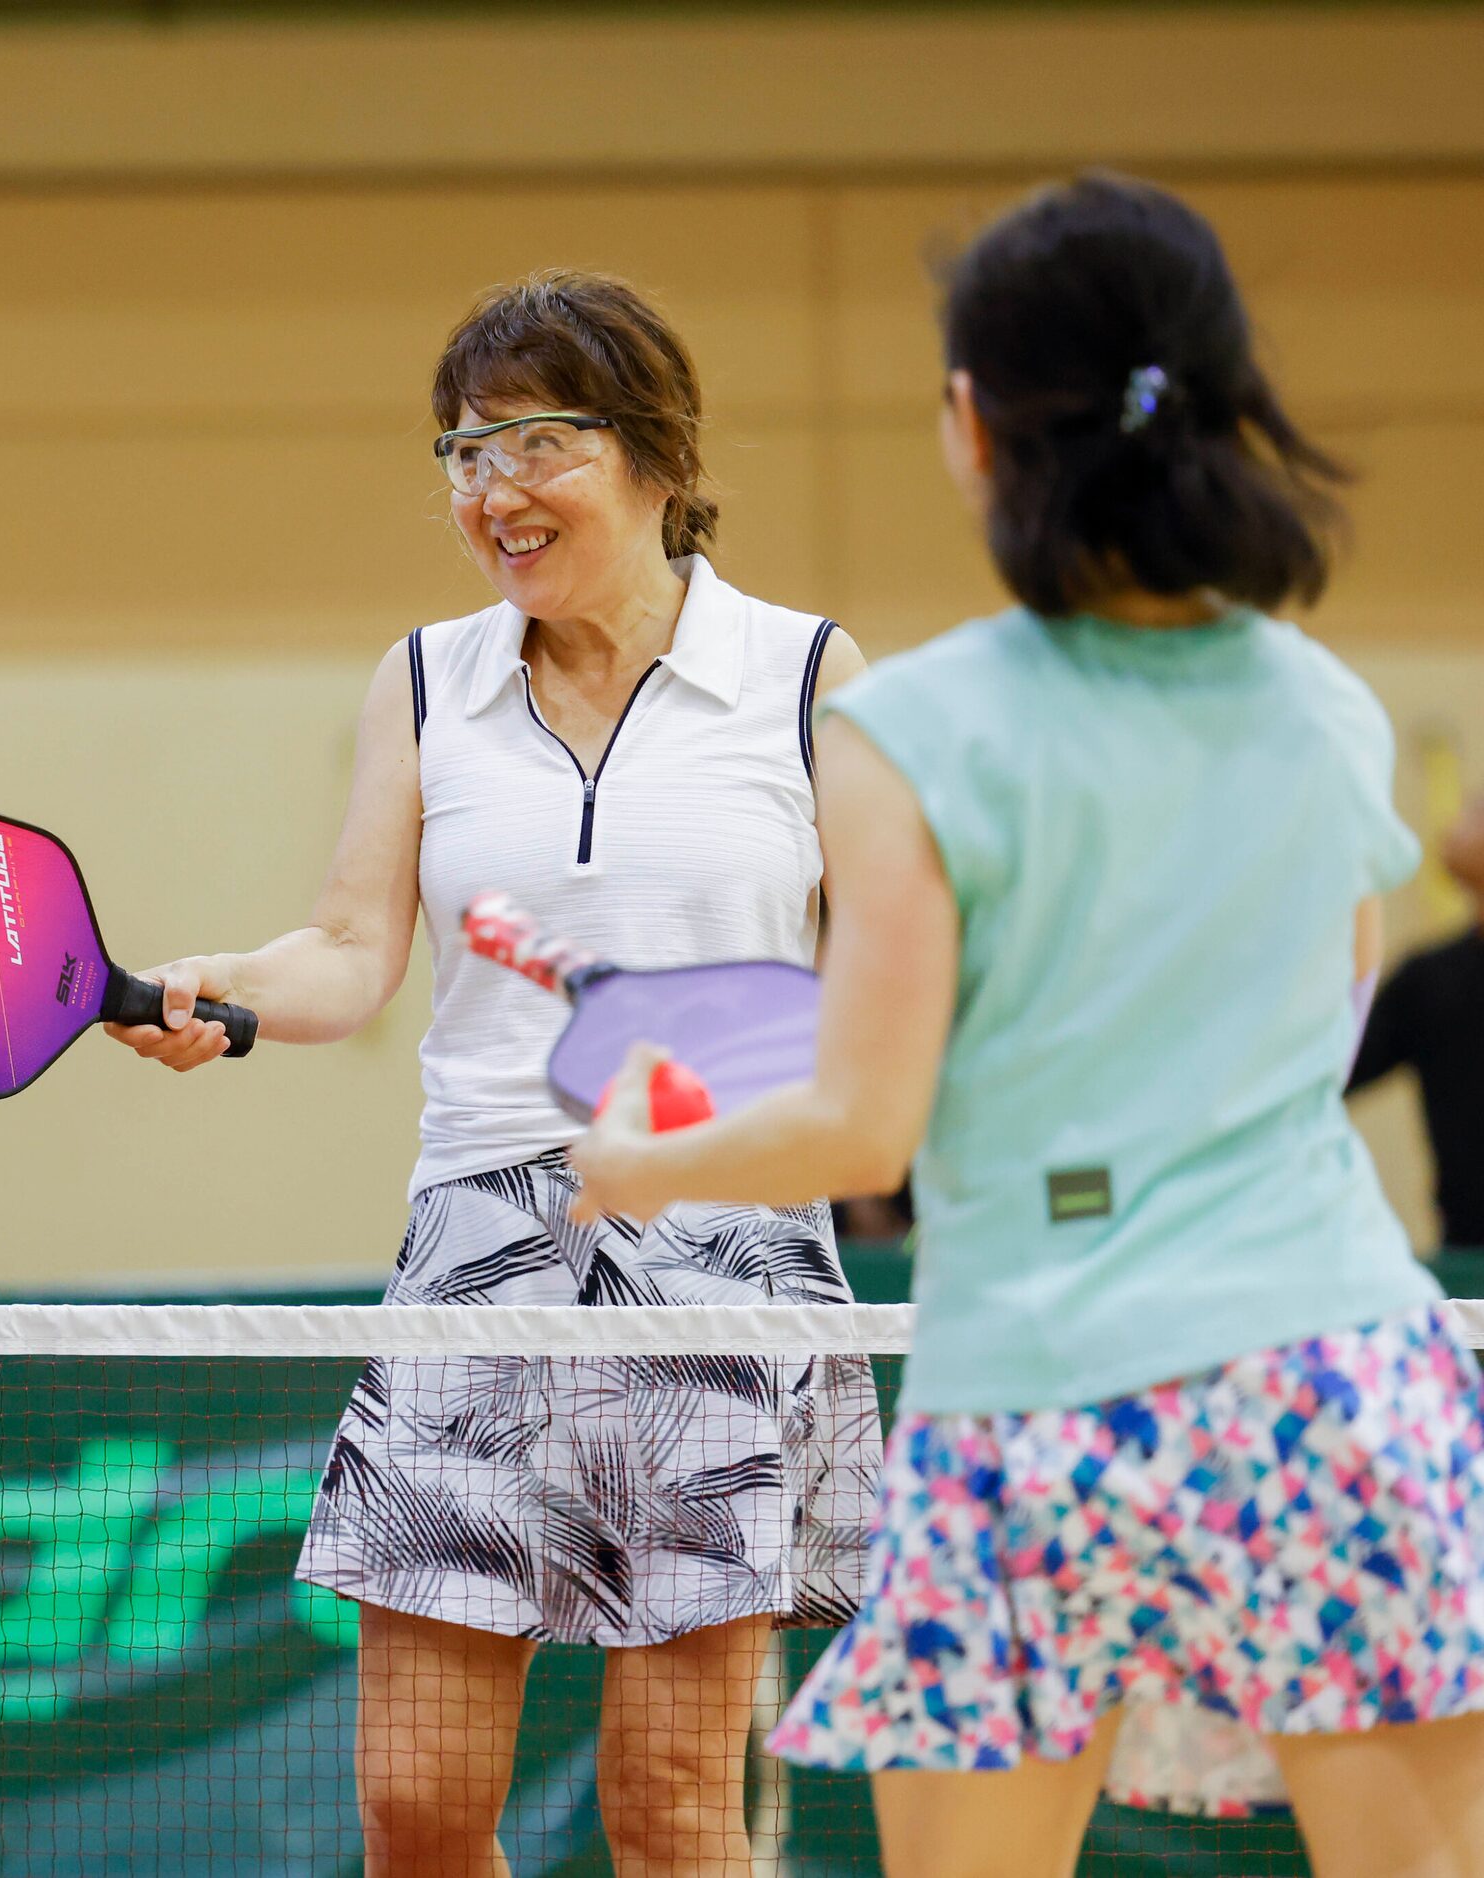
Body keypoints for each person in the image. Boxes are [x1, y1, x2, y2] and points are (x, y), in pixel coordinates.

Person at [569, 174, 1484, 1876]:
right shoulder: (1328, 709)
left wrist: (637, 1161)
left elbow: (864, 1122)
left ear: (973, 422)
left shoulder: (915, 725)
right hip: (1337, 1373)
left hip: (1044, 1410)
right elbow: (1320, 1013)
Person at [107, 271, 884, 1876]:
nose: (489, 489)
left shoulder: (809, 674)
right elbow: (347, 946)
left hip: (725, 1253)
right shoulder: (426, 679)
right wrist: (228, 991)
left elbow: (885, 986)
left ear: (656, 452)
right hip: (484, 1254)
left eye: (535, 442)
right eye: (460, 451)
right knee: (416, 1801)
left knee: (672, 1806)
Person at [1350, 788, 1484, 1248]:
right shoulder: (1432, 981)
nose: (1452, 829)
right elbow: (1331, 1071)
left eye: (1476, 815)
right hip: (1469, 1263)